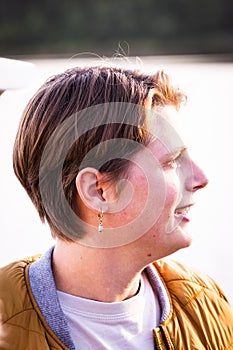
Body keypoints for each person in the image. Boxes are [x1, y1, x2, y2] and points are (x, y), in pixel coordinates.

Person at [0, 64, 233, 350]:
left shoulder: (206, 304)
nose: (201, 179)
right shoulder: (6, 321)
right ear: (98, 191)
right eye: (171, 162)